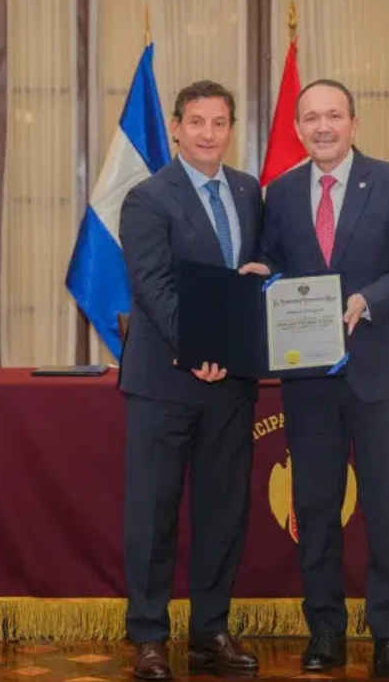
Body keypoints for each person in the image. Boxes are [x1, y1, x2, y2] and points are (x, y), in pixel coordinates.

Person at [241, 79, 389, 677]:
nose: (323, 127)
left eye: (333, 116)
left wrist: (368, 299)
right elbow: (277, 263)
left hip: (384, 375)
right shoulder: (280, 192)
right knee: (315, 508)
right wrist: (260, 272)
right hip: (311, 380)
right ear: (298, 128)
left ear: (354, 122)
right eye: (311, 118)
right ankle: (325, 632)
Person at [118, 80, 261, 680]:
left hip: (231, 384)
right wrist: (200, 349)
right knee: (153, 513)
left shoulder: (249, 191)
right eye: (196, 122)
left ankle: (211, 631)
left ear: (231, 129)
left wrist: (266, 275)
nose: (208, 133)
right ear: (176, 127)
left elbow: (252, 273)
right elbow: (153, 288)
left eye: (219, 122)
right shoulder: (147, 198)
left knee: (223, 512)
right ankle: (149, 635)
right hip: (165, 382)